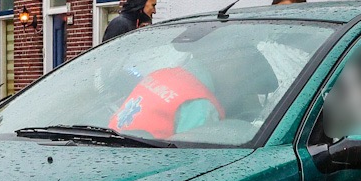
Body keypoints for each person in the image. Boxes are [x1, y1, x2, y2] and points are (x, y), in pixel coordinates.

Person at [110, 45, 278, 138]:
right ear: (221, 63)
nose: (241, 81)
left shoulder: (160, 75)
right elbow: (194, 164)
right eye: (240, 71)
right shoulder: (200, 103)